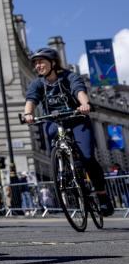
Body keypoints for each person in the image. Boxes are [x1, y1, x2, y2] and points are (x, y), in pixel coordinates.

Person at [23, 47, 114, 216]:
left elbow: (78, 90)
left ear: (53, 62)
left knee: (87, 157)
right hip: (54, 121)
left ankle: (102, 196)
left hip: (77, 120)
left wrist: (84, 104)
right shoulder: (37, 83)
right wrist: (28, 113)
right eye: (36, 63)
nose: (38, 66)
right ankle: (65, 174)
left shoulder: (69, 77)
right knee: (54, 149)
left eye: (41, 62)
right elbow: (31, 99)